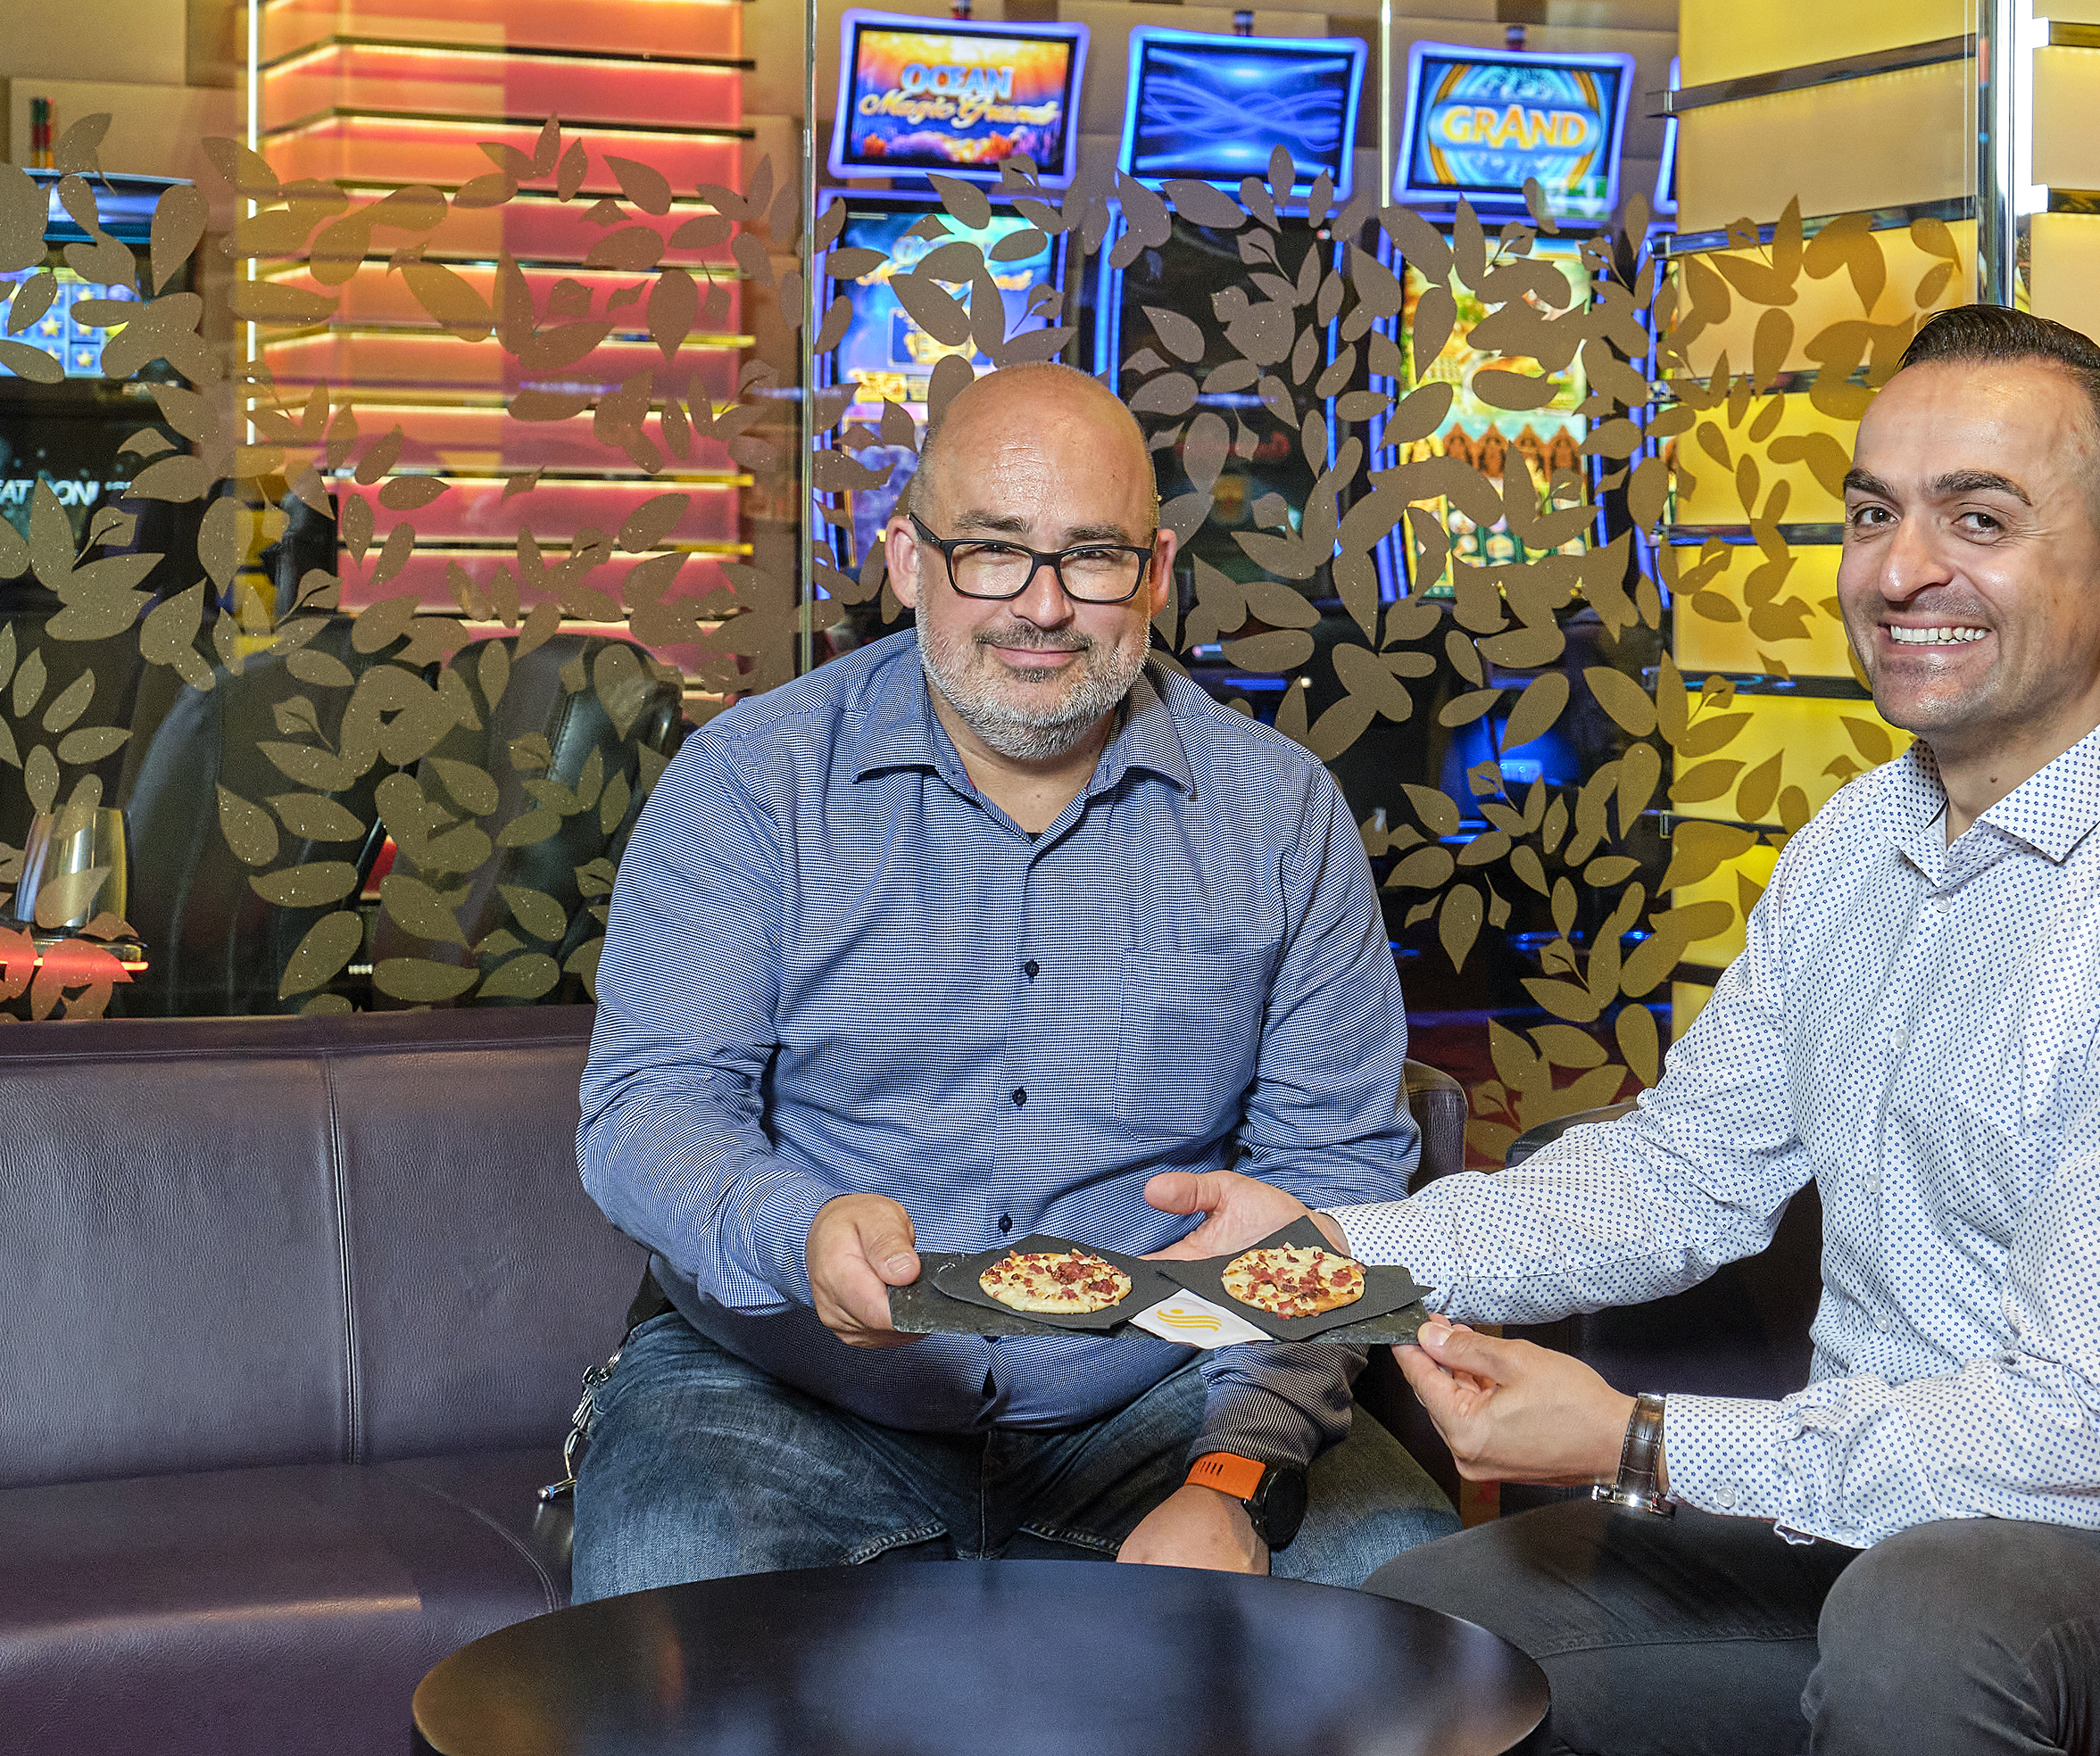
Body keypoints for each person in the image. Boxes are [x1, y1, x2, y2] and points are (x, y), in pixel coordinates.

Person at [1147, 307, 2100, 1754]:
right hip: (1871, 1514)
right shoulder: (1853, 844)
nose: (1903, 569)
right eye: (1874, 513)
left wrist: (1636, 1441)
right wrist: (1325, 1254)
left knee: (1926, 1623)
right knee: (1421, 1628)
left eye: (1977, 518)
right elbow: (1680, 1175)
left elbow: (2083, 1440)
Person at [570, 363, 1457, 1599]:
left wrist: (1231, 1474)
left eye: (1089, 558)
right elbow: (647, 1113)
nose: (1040, 607)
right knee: (664, 1601)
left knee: (1412, 1591)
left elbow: (1329, 1176)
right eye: (991, 551)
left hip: (1161, 1394)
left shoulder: (1275, 814)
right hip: (780, 1394)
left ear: (1152, 573)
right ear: (906, 560)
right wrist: (798, 1231)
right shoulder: (749, 781)